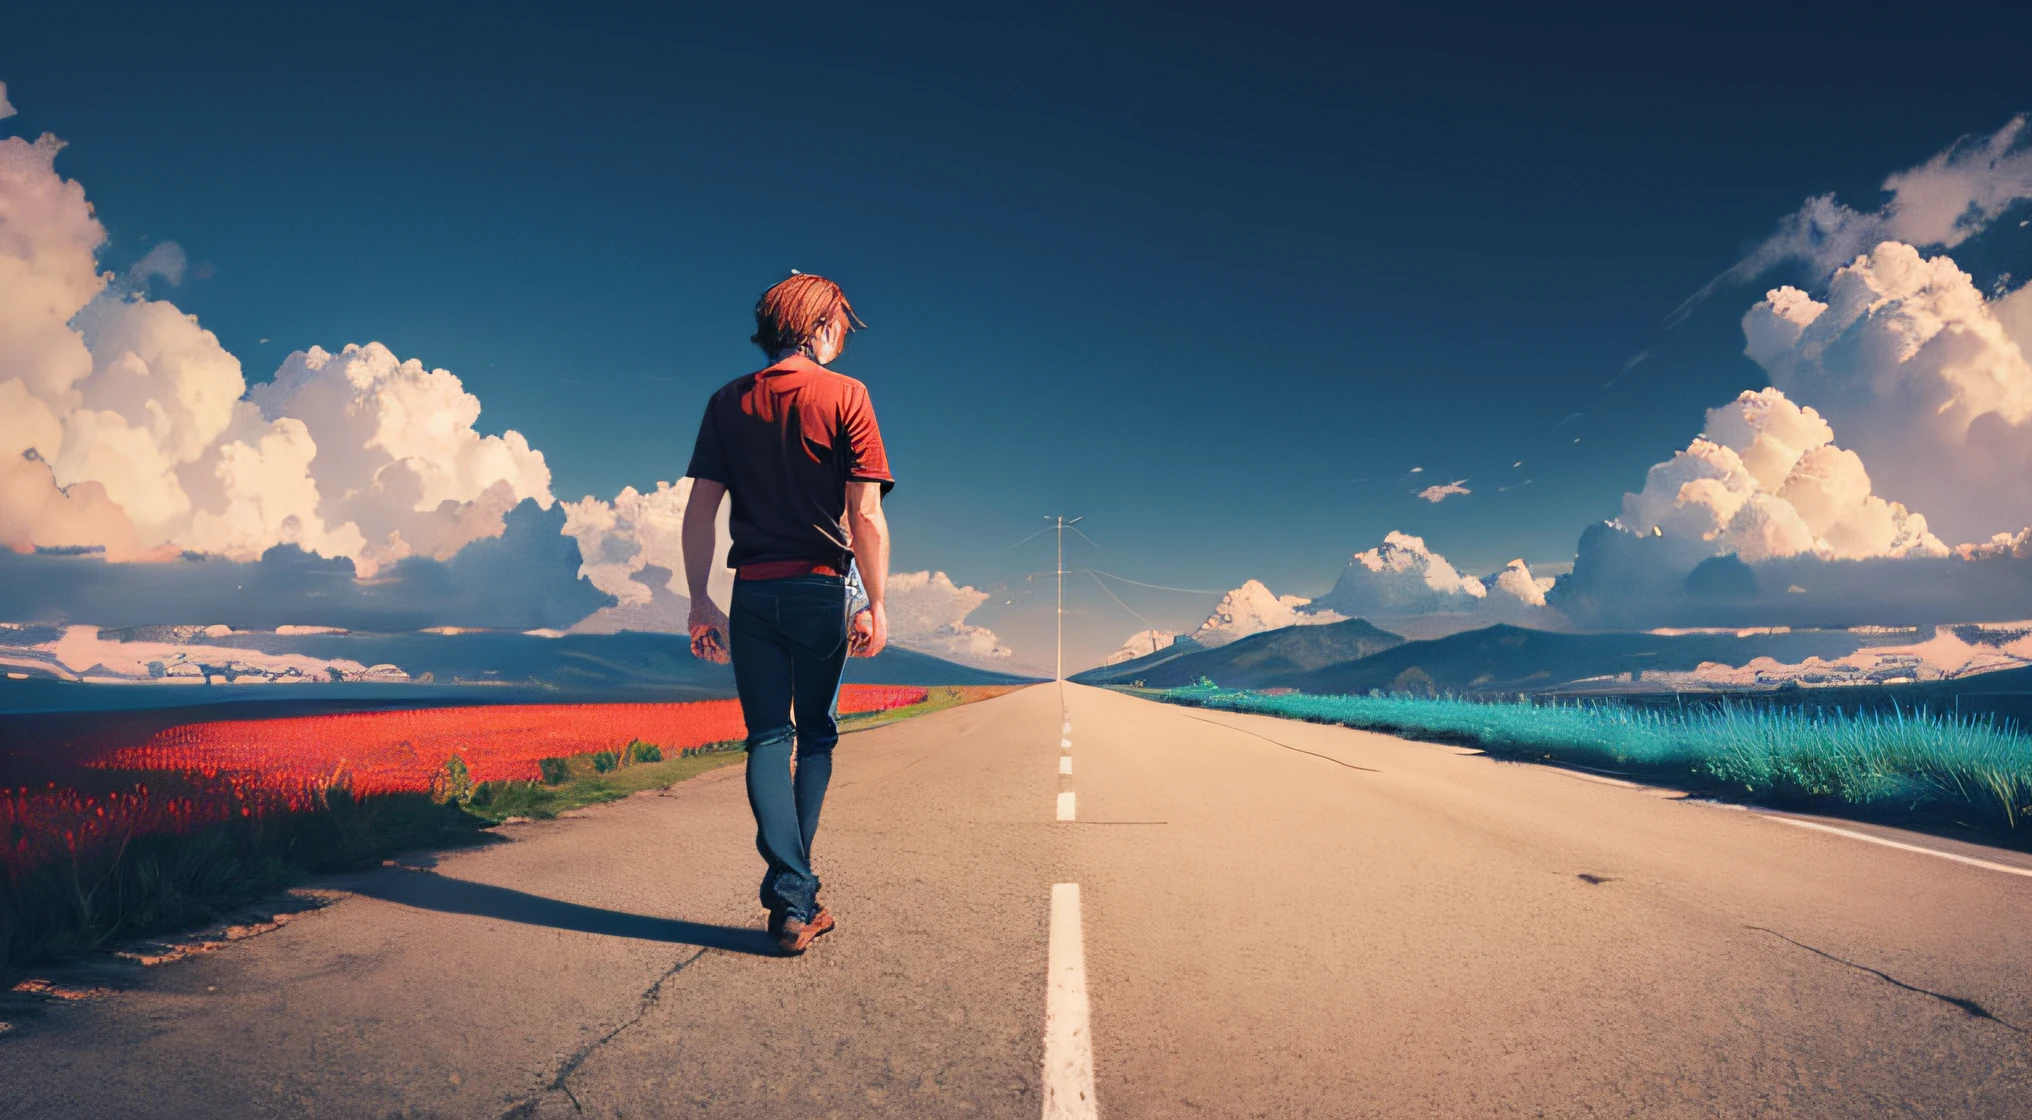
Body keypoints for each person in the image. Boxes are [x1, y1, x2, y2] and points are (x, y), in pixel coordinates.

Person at [681, 272, 893, 955]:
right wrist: (878, 603)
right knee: (818, 736)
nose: (842, 340)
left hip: (752, 593)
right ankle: (796, 896)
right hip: (820, 590)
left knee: (769, 738)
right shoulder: (847, 396)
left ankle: (792, 894)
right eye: (840, 327)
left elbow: (700, 511)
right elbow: (865, 514)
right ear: (821, 325)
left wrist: (699, 597)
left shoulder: (726, 401)